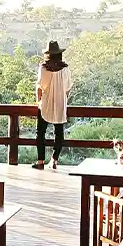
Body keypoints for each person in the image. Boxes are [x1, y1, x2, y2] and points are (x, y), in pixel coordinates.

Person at [33, 40, 72, 170]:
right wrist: (63, 98)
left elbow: (40, 86)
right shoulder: (65, 68)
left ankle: (40, 162)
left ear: (48, 54)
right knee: (59, 133)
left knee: (40, 133)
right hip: (60, 103)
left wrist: (38, 100)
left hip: (46, 103)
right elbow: (67, 87)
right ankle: (54, 160)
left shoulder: (44, 68)